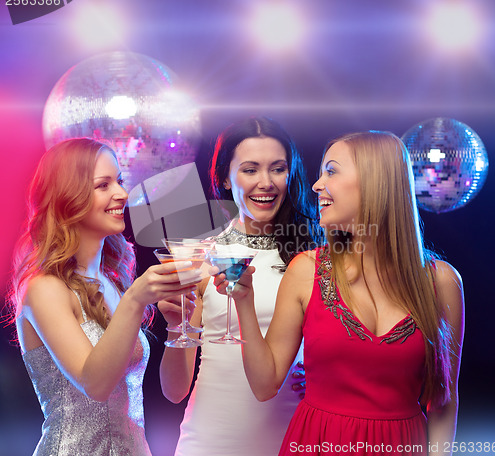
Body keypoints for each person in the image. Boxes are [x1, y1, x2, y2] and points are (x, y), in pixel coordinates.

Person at [214, 131, 465, 455]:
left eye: (331, 171)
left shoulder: (442, 281)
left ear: (376, 183)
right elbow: (265, 385)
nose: (317, 185)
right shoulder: (306, 269)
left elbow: (443, 401)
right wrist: (243, 301)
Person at [7, 138, 201, 456]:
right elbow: (95, 385)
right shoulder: (44, 288)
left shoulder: (113, 283)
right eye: (103, 185)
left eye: (120, 181)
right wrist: (135, 300)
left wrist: (179, 326)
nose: (122, 194)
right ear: (67, 198)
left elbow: (176, 392)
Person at [158, 116, 321, 456]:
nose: (266, 182)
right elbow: (174, 391)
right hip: (210, 441)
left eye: (278, 169)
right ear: (224, 177)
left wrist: (327, 377)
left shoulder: (315, 256)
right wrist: (176, 329)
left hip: (294, 438)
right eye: (250, 170)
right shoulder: (201, 256)